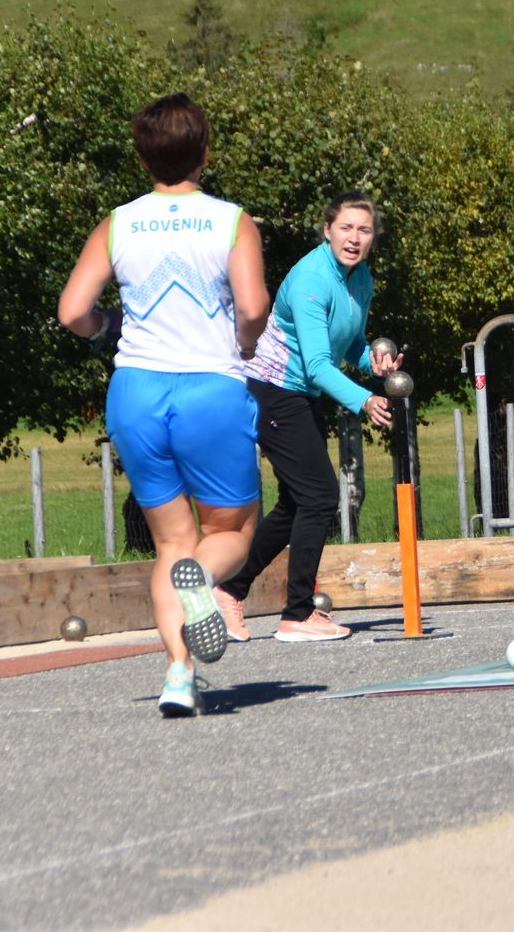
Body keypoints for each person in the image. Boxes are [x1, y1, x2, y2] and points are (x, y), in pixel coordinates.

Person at [58, 94, 269, 715]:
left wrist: (105, 326)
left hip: (137, 391)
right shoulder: (231, 221)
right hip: (209, 388)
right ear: (204, 151)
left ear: (143, 156)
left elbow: (72, 312)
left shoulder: (118, 223)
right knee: (230, 530)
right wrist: (246, 343)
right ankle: (205, 582)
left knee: (172, 544)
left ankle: (179, 675)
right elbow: (253, 307)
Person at [213, 191, 401, 643]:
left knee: (298, 501)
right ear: (327, 230)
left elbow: (347, 344)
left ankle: (228, 590)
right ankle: (297, 614)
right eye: (346, 228)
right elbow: (317, 365)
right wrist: (365, 400)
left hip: (300, 393)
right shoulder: (311, 280)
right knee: (319, 497)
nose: (354, 238)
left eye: (364, 230)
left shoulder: (360, 279)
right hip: (272, 390)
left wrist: (373, 360)